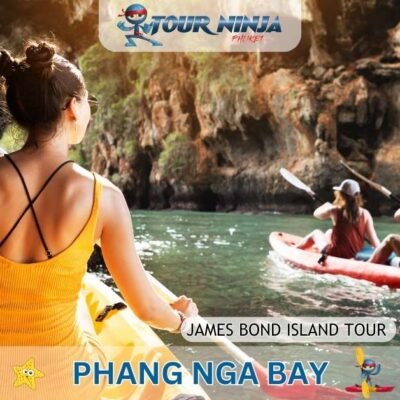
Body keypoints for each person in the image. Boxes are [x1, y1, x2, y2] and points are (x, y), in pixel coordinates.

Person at [0, 41, 197, 398]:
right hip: (64, 384)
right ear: (72, 108)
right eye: (87, 102)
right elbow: (148, 309)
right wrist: (183, 320)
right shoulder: (103, 197)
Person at [296, 179, 380, 263]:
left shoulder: (335, 210)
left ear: (342, 195)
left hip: (335, 254)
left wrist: (325, 206)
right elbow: (375, 244)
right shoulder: (366, 214)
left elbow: (316, 214)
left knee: (316, 233)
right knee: (329, 232)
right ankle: (316, 247)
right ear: (357, 196)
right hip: (355, 255)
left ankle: (294, 249)